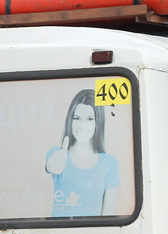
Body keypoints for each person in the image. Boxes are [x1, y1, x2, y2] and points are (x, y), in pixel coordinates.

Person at [45, 89, 120, 217]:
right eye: (77, 118)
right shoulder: (57, 153)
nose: (82, 125)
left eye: (90, 119)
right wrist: (53, 165)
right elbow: (51, 166)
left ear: (98, 122)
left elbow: (108, 213)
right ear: (70, 119)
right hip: (59, 233)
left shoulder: (109, 163)